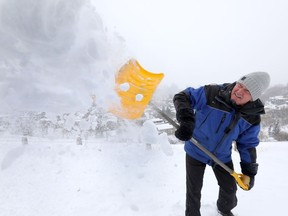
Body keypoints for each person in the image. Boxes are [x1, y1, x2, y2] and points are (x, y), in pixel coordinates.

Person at [173, 72, 270, 216]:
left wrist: (249, 172)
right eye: (240, 85)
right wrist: (186, 120)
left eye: (247, 91)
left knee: (230, 189)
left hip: (221, 155)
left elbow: (247, 145)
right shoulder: (213, 93)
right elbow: (182, 96)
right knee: (193, 189)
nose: (239, 91)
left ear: (253, 98)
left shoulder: (252, 117)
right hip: (196, 148)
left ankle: (224, 209)